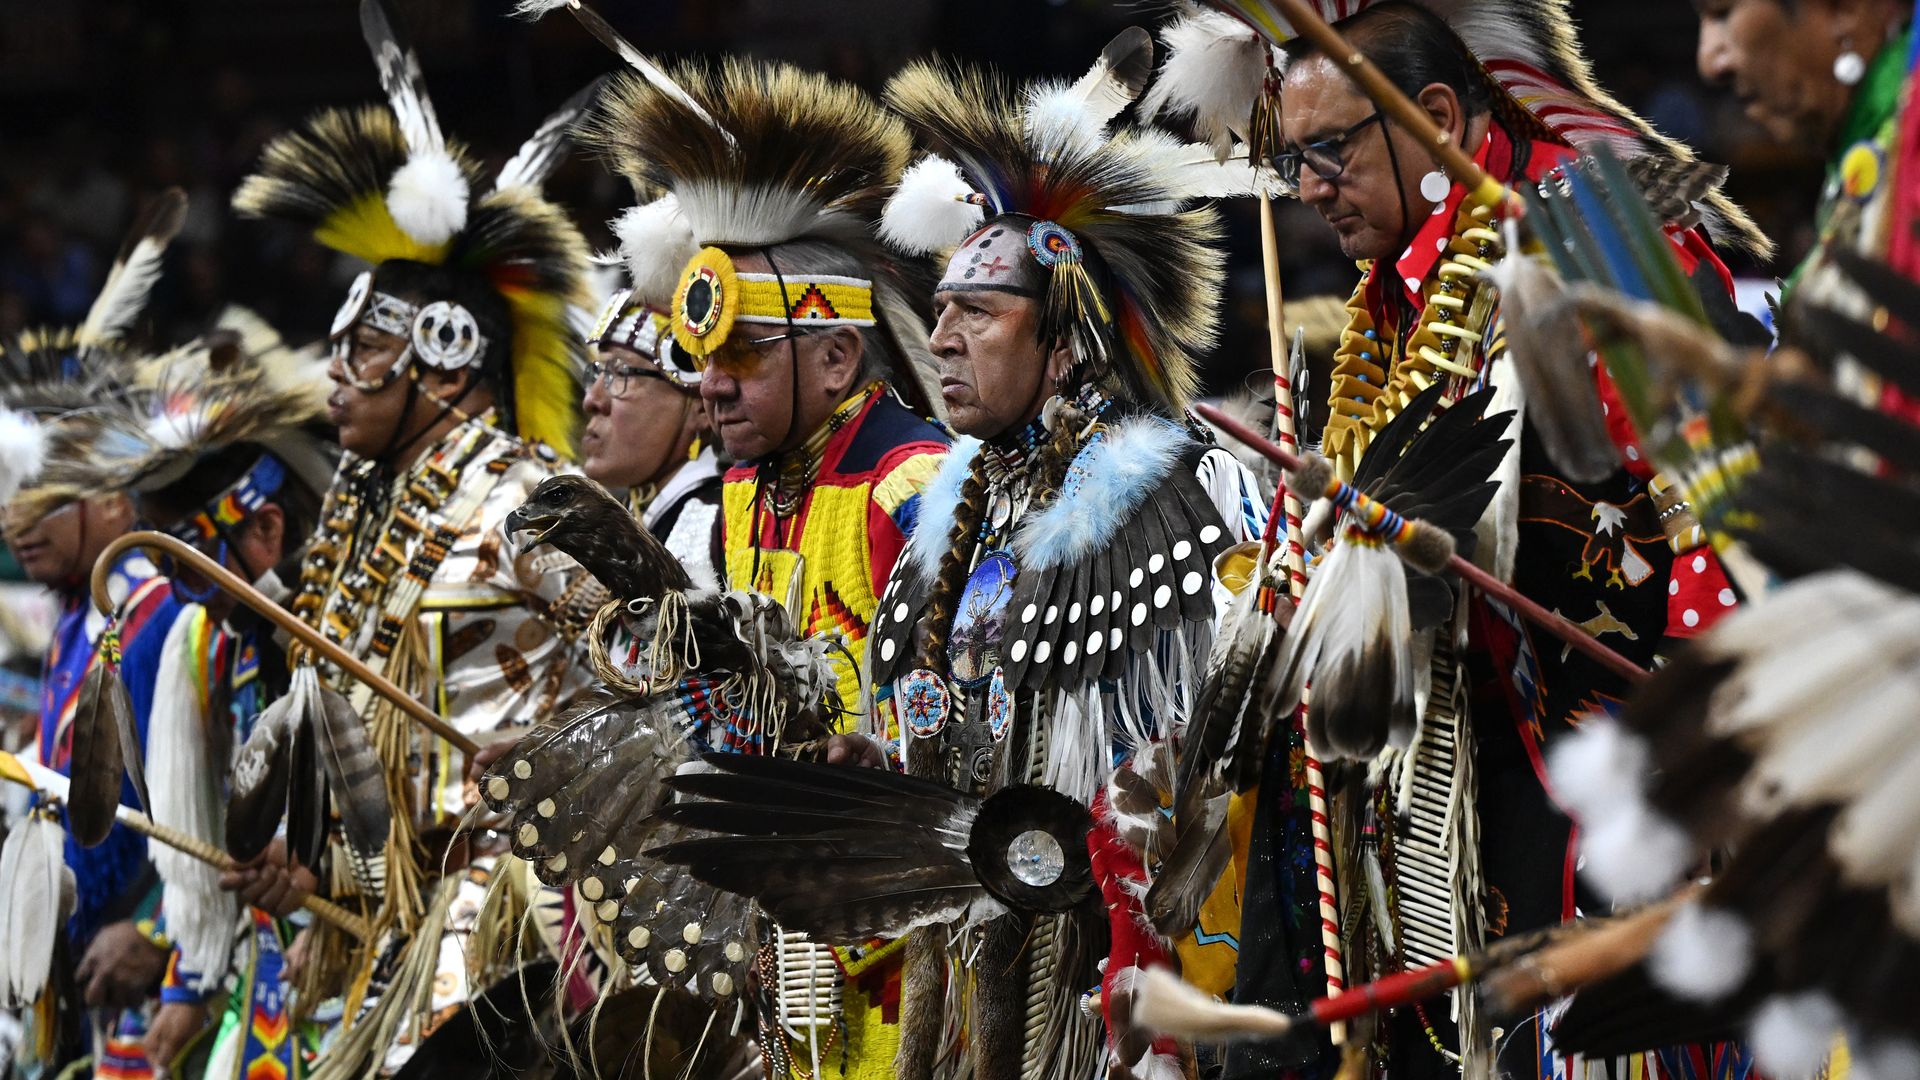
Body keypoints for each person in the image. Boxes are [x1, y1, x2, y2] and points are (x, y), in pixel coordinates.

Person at [1244, 3, 1766, 1077]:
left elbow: (1727, 496)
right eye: (1291, 161)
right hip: (1467, 776)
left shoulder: (1594, 237)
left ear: (1433, 114)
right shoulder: (1391, 295)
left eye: (1330, 151)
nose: (1307, 190)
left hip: (1624, 759)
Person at [841, 40, 1271, 1078]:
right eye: (940, 310)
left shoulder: (1176, 493)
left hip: (1102, 970)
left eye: (976, 313)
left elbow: (1210, 754)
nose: (940, 338)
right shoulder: (957, 510)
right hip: (970, 971)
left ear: (1068, 342)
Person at [226, 2, 603, 1072]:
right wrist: (317, 879)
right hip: (392, 909)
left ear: (445, 360)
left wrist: (553, 761)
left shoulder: (529, 497)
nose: (333, 374)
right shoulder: (367, 510)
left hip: (507, 910)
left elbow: (651, 673)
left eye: (362, 351)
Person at [564, 41, 949, 1076]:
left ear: (834, 358)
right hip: (786, 952)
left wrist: (881, 764)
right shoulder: (744, 486)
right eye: (703, 362)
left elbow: (981, 731)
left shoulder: (912, 489)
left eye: (743, 356)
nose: (715, 388)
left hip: (921, 955)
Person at [60, 317, 336, 1078]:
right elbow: (197, 847)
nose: (184, 597)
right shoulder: (210, 646)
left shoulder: (356, 631)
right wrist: (186, 974)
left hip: (373, 959)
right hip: (265, 980)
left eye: (187, 567)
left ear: (267, 529)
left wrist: (332, 875)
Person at [0, 334, 181, 1080]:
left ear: (111, 496)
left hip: (155, 972)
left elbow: (224, 798)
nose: (14, 522)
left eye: (39, 499)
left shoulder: (160, 610)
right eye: (7, 495)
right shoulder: (80, 614)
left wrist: (157, 929)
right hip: (80, 967)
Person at [580, 196, 724, 590]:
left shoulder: (716, 527)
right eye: (597, 372)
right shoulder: (644, 517)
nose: (593, 399)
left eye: (621, 373)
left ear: (698, 405)